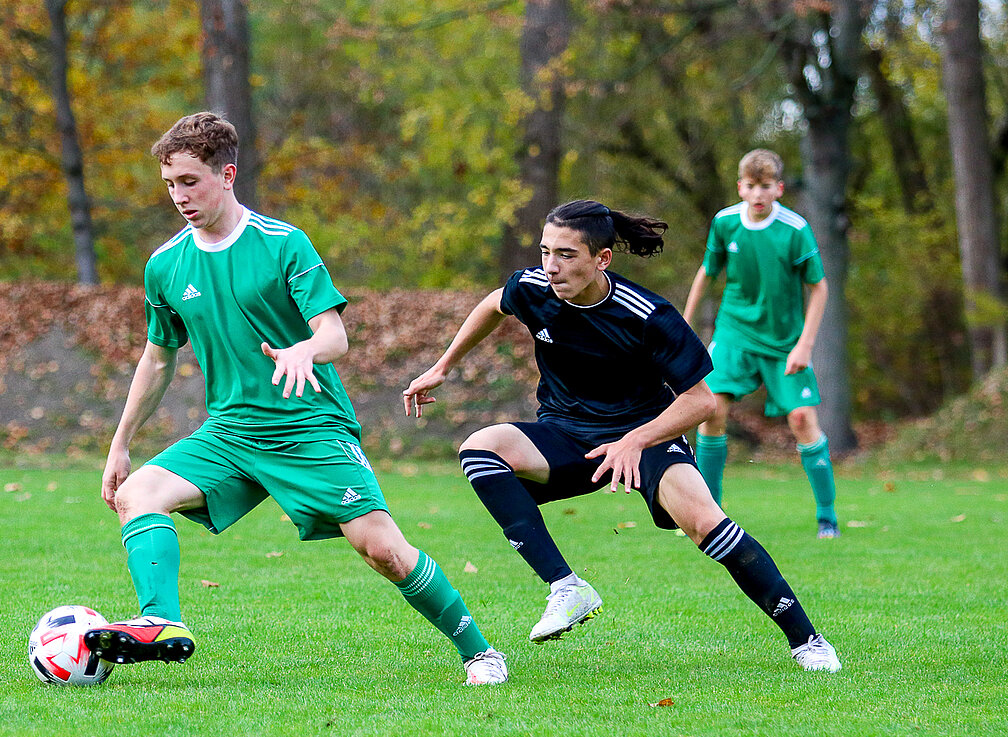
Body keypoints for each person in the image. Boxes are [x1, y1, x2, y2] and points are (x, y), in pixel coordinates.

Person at [86, 111, 506, 686]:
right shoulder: (164, 265)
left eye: (191, 182)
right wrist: (120, 445)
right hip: (230, 433)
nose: (179, 196)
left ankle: (480, 652)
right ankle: (161, 621)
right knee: (138, 495)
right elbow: (158, 358)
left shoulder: (283, 244)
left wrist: (307, 349)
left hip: (310, 427)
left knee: (383, 551)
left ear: (227, 175)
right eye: (169, 185)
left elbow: (335, 333)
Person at [403, 199, 841, 672]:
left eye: (567, 255)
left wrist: (635, 441)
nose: (551, 267)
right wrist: (443, 367)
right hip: (567, 433)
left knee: (706, 524)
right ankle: (566, 588)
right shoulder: (534, 288)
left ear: (602, 259)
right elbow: (494, 303)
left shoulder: (648, 314)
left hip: (646, 436)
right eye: (546, 251)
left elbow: (701, 401)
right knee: (480, 449)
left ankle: (808, 641)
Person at [682, 149, 839, 539]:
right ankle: (709, 513)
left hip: (785, 339)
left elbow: (818, 287)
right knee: (711, 409)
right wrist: (684, 324)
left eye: (765, 186)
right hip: (734, 331)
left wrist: (804, 345)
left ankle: (827, 518)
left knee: (802, 419)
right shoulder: (725, 222)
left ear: (779, 189)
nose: (757, 194)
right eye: (750, 186)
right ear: (740, 187)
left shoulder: (795, 228)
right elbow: (708, 272)